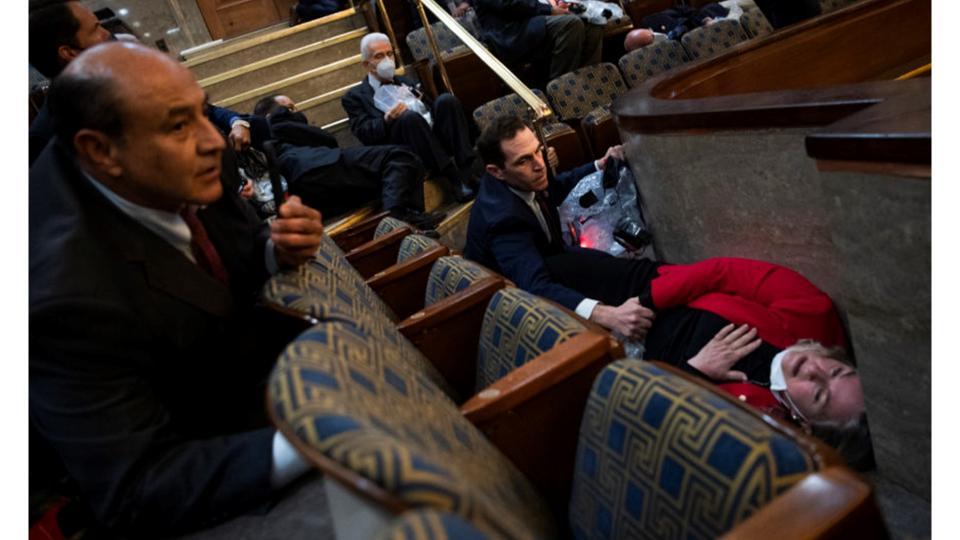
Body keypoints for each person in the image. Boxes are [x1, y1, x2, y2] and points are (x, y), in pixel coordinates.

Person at [30, 42, 325, 536]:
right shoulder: (61, 295)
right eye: (177, 126)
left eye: (203, 112)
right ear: (100, 151)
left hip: (258, 390)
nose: (213, 141)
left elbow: (239, 248)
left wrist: (279, 248)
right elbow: (137, 486)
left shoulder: (188, 163)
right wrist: (318, 438)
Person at [465, 116, 865, 429]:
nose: (540, 165)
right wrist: (612, 311)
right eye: (834, 370)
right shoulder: (504, 220)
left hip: (652, 352)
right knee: (573, 271)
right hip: (532, 297)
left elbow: (658, 417)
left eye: (819, 394)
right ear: (497, 172)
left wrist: (695, 372)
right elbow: (533, 285)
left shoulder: (763, 423)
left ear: (807, 424)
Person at [253, 94, 445, 228]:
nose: (296, 112)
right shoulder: (275, 125)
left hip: (311, 188)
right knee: (399, 156)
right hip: (315, 166)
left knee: (386, 179)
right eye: (289, 108)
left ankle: (412, 218)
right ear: (269, 117)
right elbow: (328, 140)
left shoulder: (276, 139)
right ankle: (398, 221)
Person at [341, 33, 478, 202]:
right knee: (408, 118)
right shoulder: (355, 97)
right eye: (379, 56)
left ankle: (468, 171)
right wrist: (386, 119)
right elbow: (364, 132)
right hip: (403, 145)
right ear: (366, 65)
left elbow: (430, 110)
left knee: (446, 101)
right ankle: (454, 179)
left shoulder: (404, 81)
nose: (387, 60)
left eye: (389, 54)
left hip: (428, 134)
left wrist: (420, 101)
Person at [29, 0, 112, 165]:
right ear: (69, 53)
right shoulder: (48, 140)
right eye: (96, 28)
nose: (107, 34)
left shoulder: (116, 92)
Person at [472, 0, 603, 80]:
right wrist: (549, 10)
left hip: (533, 18)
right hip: (511, 32)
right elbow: (509, 4)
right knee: (571, 24)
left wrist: (559, 5)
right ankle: (562, 90)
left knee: (594, 23)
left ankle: (590, 81)